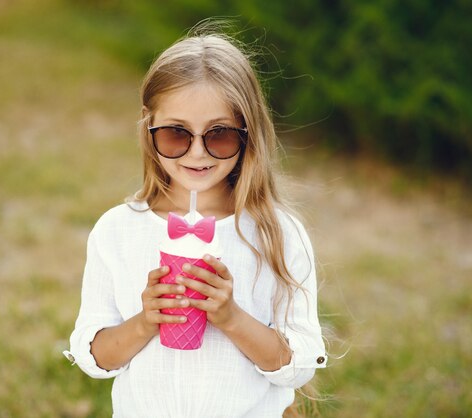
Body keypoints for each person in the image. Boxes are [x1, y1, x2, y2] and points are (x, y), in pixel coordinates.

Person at [64, 27, 327, 418]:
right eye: (176, 134)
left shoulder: (278, 234)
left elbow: (299, 364)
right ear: (148, 127)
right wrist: (146, 320)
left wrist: (232, 317)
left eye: (219, 134)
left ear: (247, 132)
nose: (198, 152)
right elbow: (96, 359)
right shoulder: (117, 231)